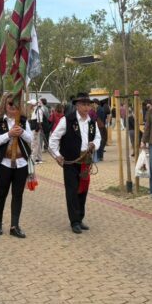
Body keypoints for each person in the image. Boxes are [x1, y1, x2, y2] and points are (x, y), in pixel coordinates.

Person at [48, 92, 101, 234]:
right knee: (72, 191)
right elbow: (53, 139)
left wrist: (93, 145)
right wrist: (57, 155)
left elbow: (98, 137)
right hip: (71, 162)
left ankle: (80, 217)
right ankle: (74, 221)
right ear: (77, 106)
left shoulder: (92, 121)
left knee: (83, 190)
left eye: (88, 104)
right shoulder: (67, 120)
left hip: (85, 161)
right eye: (83, 104)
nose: (86, 107)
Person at [0, 92, 34, 238]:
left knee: (18, 195)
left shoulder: (23, 120)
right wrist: (9, 134)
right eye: (10, 104)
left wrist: (21, 132)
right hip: (4, 163)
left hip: (21, 164)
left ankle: (14, 226)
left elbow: (31, 139)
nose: (13, 107)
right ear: (5, 105)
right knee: (1, 194)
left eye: (16, 104)